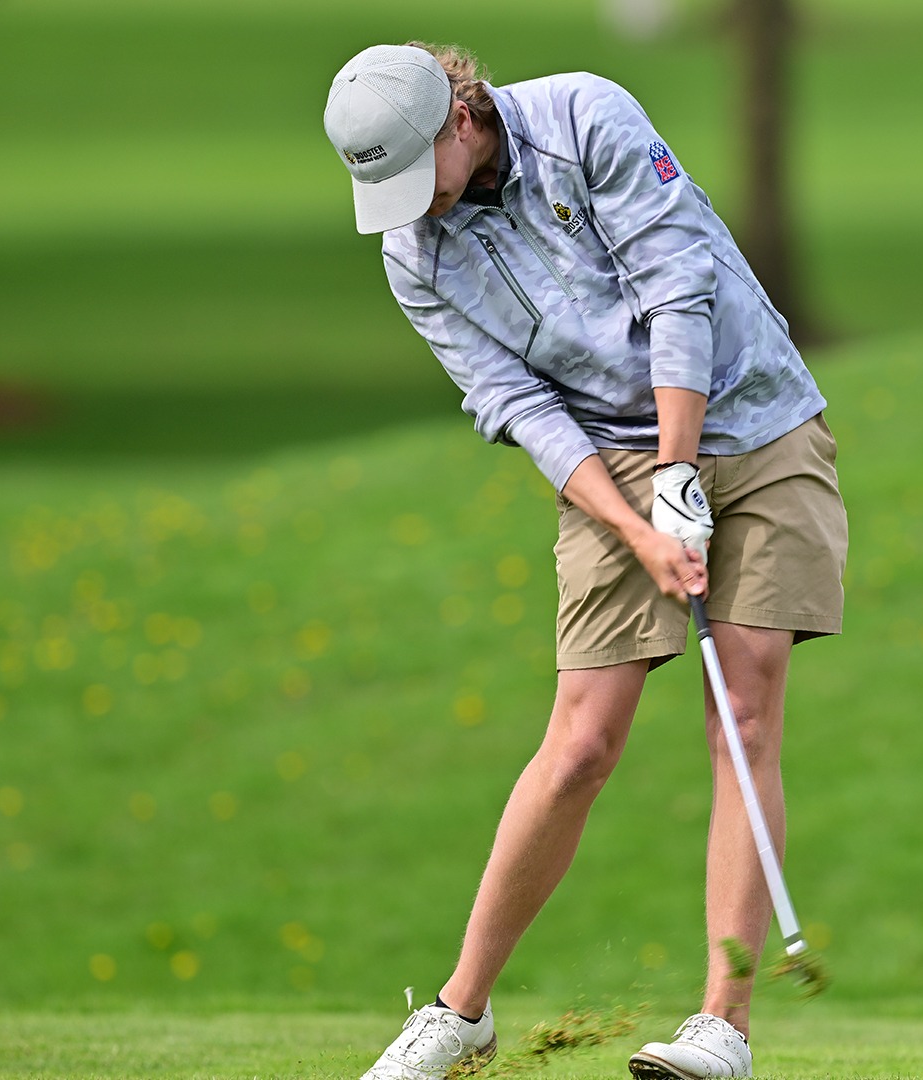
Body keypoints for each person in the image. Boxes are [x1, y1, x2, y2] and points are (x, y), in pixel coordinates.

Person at [322, 41, 846, 1080]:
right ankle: (460, 1012)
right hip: (605, 457)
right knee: (581, 743)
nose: (403, 208)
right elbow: (517, 405)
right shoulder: (411, 251)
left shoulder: (584, 119)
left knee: (744, 701)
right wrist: (641, 522)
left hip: (753, 416)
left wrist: (683, 474)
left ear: (457, 121)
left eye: (408, 175)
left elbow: (676, 286)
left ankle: (722, 1028)